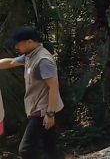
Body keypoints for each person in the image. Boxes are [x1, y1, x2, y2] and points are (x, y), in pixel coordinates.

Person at [0, 26, 64, 159]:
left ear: (29, 41)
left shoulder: (43, 60)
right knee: (50, 147)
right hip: (38, 108)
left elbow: (54, 87)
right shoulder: (30, 56)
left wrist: (50, 114)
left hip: (43, 110)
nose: (16, 47)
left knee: (25, 150)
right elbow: (11, 62)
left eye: (18, 44)